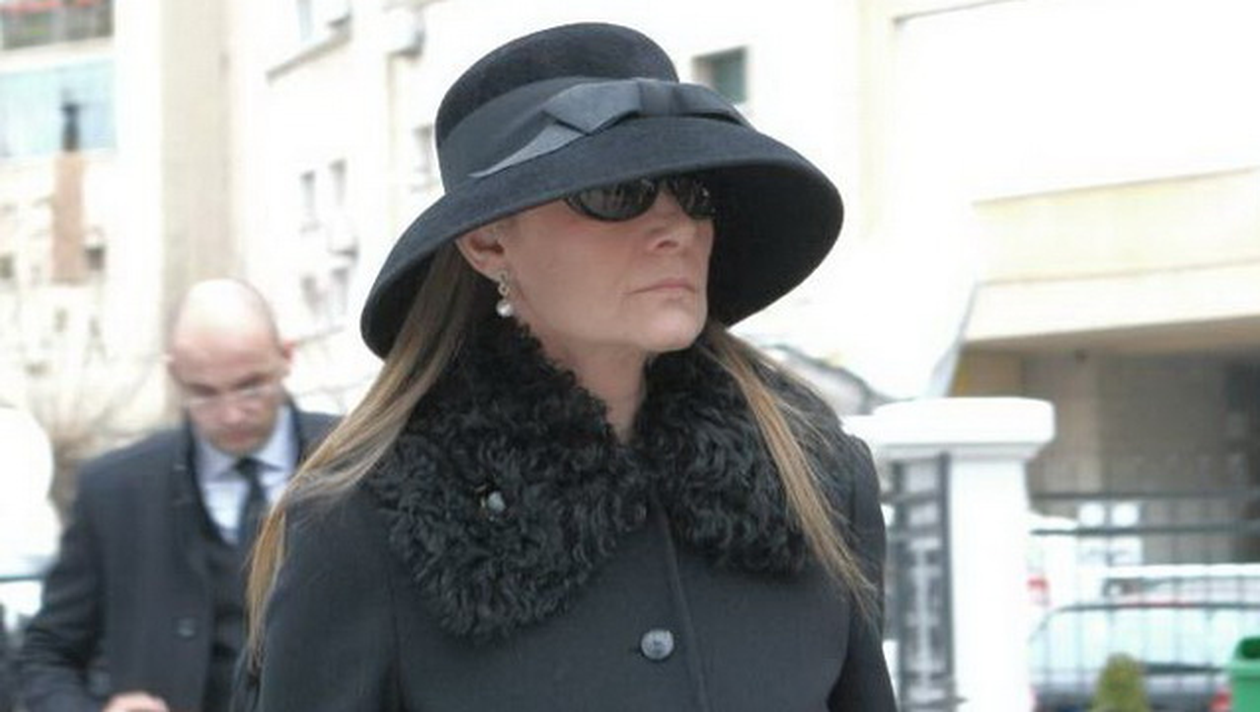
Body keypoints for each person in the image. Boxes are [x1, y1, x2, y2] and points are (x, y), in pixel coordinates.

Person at [238, 22, 896, 711]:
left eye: (693, 193)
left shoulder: (814, 483)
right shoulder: (364, 527)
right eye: (617, 193)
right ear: (489, 243)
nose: (676, 228)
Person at [17, 279, 337, 712]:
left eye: (251, 385)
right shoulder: (114, 492)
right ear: (174, 376)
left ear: (287, 357)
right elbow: (46, 655)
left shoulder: (363, 461)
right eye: (203, 393)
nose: (231, 413)